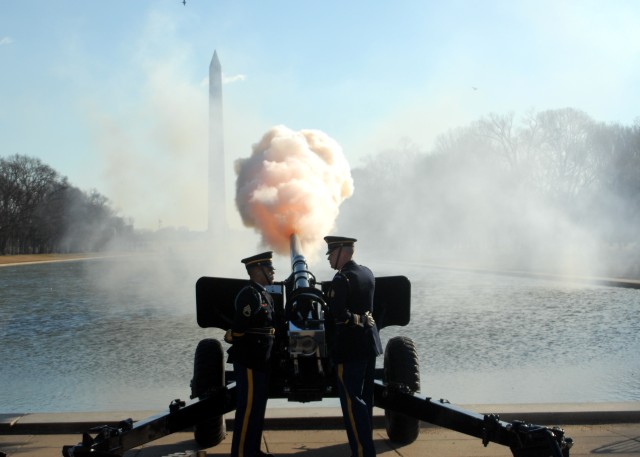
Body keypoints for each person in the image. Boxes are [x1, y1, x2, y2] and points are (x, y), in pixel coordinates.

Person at [324, 236, 382, 457]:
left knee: (351, 402)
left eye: (331, 254)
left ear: (342, 253)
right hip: (369, 343)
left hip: (349, 348)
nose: (329, 258)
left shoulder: (342, 280)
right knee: (365, 400)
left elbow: (337, 314)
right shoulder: (367, 272)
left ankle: (361, 451)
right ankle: (367, 449)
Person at [226, 251, 276, 457]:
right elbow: (238, 328)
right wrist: (233, 335)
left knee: (257, 408)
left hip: (261, 358)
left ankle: (252, 450)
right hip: (249, 358)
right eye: (269, 268)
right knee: (247, 409)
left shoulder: (264, 293)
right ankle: (240, 453)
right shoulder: (250, 294)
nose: (273, 271)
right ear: (257, 270)